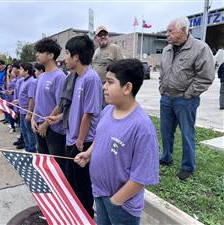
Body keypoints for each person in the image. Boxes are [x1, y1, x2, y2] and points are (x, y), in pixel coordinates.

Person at [74, 59, 159, 225]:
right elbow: (100, 138)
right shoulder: (107, 111)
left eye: (110, 82)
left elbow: (141, 177)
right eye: (105, 81)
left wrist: (116, 201)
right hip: (99, 192)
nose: (104, 86)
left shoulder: (142, 127)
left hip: (122, 204)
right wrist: (89, 153)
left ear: (127, 88)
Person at [47, 35, 102, 218]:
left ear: (77, 57)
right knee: (72, 184)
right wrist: (60, 118)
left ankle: (86, 217)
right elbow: (76, 109)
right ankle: (76, 216)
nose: (65, 58)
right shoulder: (76, 78)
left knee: (83, 187)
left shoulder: (91, 78)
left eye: (68, 54)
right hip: (72, 139)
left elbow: (89, 113)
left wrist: (79, 140)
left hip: (83, 142)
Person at [159, 17, 215, 180]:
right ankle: (166, 157)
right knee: (165, 131)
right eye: (167, 31)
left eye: (170, 31)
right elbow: (163, 72)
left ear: (183, 30)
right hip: (166, 98)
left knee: (187, 133)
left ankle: (188, 166)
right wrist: (162, 89)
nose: (167, 34)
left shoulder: (200, 48)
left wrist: (188, 94)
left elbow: (205, 76)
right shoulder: (167, 49)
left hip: (186, 100)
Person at [31, 38, 67, 172]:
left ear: (51, 55)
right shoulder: (41, 76)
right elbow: (38, 101)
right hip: (39, 126)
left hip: (53, 129)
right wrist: (34, 118)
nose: (37, 54)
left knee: (57, 165)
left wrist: (46, 124)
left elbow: (60, 105)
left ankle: (61, 192)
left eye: (40, 51)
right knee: (44, 163)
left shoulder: (59, 77)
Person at [15, 62, 37, 152]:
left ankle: (31, 150)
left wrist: (29, 113)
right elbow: (24, 96)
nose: (19, 71)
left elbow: (32, 99)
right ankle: (27, 148)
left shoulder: (31, 82)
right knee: (24, 131)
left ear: (26, 71)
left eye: (21, 69)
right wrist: (18, 101)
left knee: (29, 133)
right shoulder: (24, 80)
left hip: (27, 112)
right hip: (22, 111)